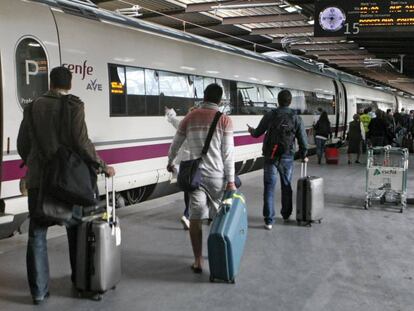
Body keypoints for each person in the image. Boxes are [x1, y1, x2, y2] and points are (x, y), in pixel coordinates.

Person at [17, 66, 115, 305]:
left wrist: (33, 164)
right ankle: (79, 281)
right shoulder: (73, 105)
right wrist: (102, 165)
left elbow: (23, 144)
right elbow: (82, 143)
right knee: (76, 231)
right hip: (68, 182)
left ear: (50, 83)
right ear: (69, 84)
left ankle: (39, 292)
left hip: (39, 181)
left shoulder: (32, 107)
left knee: (37, 235)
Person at [167, 83, 235, 273]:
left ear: (204, 97)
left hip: (194, 175)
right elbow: (228, 154)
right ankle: (215, 254)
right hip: (216, 175)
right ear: (220, 100)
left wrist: (170, 161)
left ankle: (198, 260)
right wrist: (230, 180)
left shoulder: (190, 117)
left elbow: (175, 144)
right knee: (218, 216)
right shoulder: (225, 120)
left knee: (196, 216)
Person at [247, 90, 308, 230]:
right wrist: (304, 154)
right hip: (287, 156)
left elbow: (257, 133)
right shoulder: (296, 117)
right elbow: (303, 140)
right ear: (290, 101)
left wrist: (251, 130)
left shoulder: (270, 114)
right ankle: (286, 214)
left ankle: (269, 220)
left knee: (269, 187)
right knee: (286, 185)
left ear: (278, 100)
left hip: (270, 156)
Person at [165, 107, 192, 230]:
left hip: (184, 162)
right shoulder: (202, 127)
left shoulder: (183, 124)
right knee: (198, 189)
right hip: (197, 163)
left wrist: (170, 162)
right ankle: (189, 214)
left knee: (188, 189)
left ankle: (187, 213)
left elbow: (172, 119)